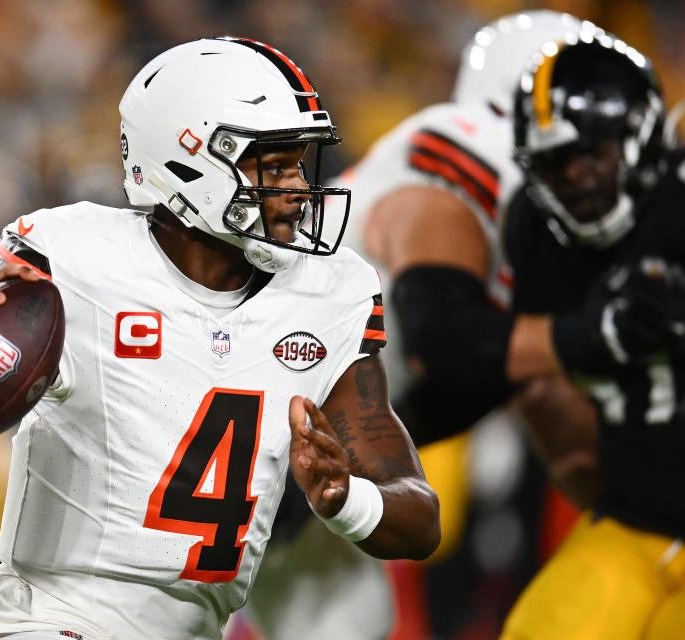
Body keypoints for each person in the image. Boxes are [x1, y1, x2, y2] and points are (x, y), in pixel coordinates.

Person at [0, 37, 440, 640]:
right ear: (187, 161)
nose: (298, 189)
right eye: (272, 167)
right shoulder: (71, 258)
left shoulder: (330, 291)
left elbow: (418, 518)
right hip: (44, 619)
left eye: (298, 165)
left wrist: (345, 499)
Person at [241, 12, 599, 640]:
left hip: (325, 447)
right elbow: (447, 333)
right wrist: (599, 334)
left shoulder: (547, 230)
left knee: (350, 625)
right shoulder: (466, 150)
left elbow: (537, 394)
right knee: (163, 607)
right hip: (240, 407)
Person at [498, 32, 685, 638]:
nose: (578, 179)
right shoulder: (535, 231)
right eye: (555, 164)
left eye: (590, 153)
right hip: (632, 520)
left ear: (639, 135)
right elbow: (523, 373)